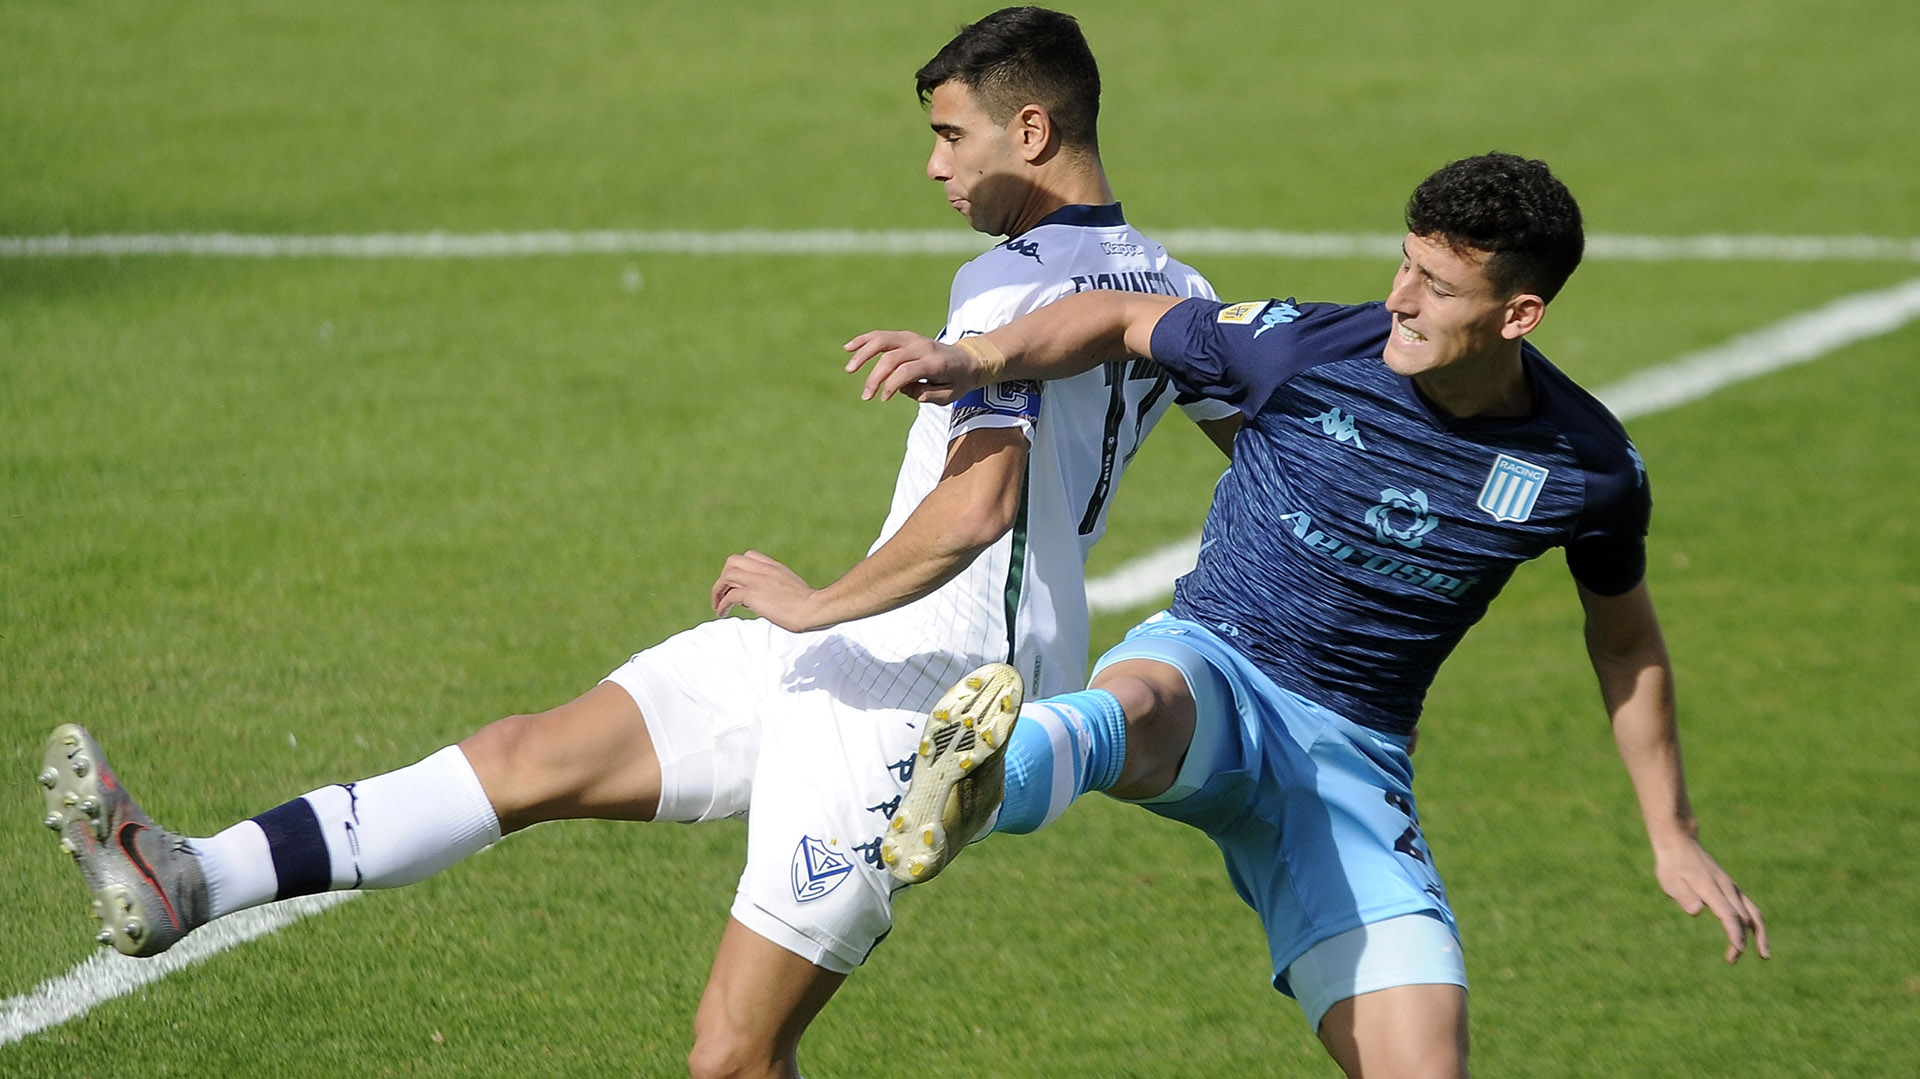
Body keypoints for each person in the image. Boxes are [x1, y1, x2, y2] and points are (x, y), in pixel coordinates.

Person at [34, 9, 1238, 1078]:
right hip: (884, 653)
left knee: (735, 1051)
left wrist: (818, 602)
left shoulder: (1006, 286)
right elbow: (1273, 444)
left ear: (1032, 131)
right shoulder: (1170, 282)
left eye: (951, 135)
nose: (932, 165)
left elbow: (980, 508)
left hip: (927, 697)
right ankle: (194, 876)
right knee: (525, 756)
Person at [849, 152, 1769, 1079]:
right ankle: (981, 782)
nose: (1400, 298)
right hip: (1214, 663)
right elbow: (1124, 318)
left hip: (1351, 767)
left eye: (1438, 286)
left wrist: (1673, 831)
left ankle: (996, 776)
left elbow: (1628, 645)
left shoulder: (1587, 468)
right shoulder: (1307, 345)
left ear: (1517, 314)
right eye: (1405, 263)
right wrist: (973, 356)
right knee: (1141, 707)